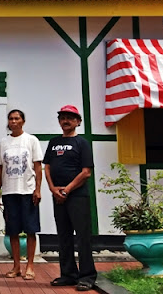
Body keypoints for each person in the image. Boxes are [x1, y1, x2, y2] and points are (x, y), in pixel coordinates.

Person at [43, 105, 96, 292]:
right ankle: (68, 274)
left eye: (70, 118)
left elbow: (86, 172)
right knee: (63, 236)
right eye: (62, 117)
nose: (66, 121)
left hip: (77, 196)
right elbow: (47, 167)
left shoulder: (82, 143)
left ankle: (87, 276)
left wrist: (67, 190)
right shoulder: (53, 142)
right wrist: (52, 188)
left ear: (78, 122)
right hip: (57, 196)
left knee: (82, 237)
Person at [0, 109, 43, 281]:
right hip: (9, 192)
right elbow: (0, 168)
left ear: (23, 121)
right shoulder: (3, 142)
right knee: (13, 231)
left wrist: (38, 189)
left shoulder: (31, 140)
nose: (13, 121)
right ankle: (16, 266)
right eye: (11, 119)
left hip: (27, 191)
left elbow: (38, 167)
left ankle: (30, 265)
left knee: (30, 229)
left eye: (17, 118)